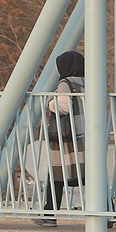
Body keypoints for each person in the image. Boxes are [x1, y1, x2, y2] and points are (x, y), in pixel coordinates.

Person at [36, 50, 85, 223]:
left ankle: (49, 215)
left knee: (57, 175)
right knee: (91, 175)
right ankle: (108, 214)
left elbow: (64, 106)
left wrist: (50, 101)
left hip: (68, 138)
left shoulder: (65, 83)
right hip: (86, 135)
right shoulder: (87, 82)